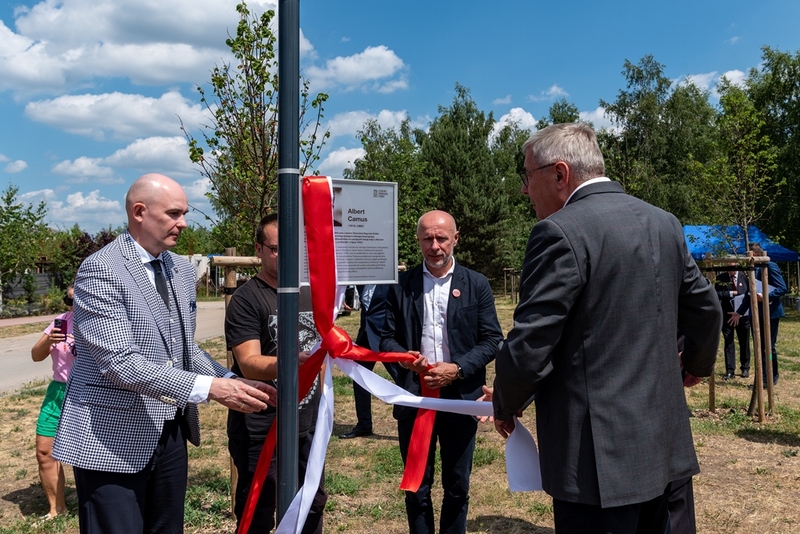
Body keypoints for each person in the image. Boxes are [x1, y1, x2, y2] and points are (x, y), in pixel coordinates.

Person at [492, 123, 721, 533]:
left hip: (598, 465)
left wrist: (505, 403)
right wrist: (696, 365)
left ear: (559, 174)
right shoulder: (664, 222)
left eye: (527, 176)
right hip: (666, 449)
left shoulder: (559, 232)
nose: (525, 190)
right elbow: (705, 308)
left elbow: (530, 345)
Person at [53, 173, 274, 534]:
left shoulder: (180, 270)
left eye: (184, 213)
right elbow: (120, 364)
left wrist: (232, 380)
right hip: (110, 437)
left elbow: (184, 348)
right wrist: (209, 389)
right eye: (174, 213)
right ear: (139, 212)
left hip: (170, 430)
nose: (184, 223)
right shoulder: (100, 270)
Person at [380, 210, 503, 534]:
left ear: (456, 238)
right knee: (416, 485)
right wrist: (403, 358)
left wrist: (459, 368)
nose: (434, 246)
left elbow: (492, 339)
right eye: (427, 239)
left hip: (460, 399)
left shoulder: (476, 284)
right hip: (414, 395)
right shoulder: (401, 285)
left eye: (441, 238)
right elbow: (385, 335)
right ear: (418, 240)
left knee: (457, 484)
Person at [225, 213, 327, 534]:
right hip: (259, 426)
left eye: (293, 247)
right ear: (259, 249)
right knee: (258, 510)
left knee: (312, 503)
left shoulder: (310, 294)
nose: (286, 255)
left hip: (306, 423)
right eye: (276, 248)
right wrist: (291, 363)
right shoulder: (247, 299)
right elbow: (249, 363)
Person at [30, 286, 76, 519]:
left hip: (88, 394)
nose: (72, 306)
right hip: (58, 392)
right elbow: (36, 355)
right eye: (69, 301)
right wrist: (48, 339)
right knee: (44, 451)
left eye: (78, 300)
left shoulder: (103, 323)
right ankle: (56, 509)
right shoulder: (61, 321)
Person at [339, 284, 401, 439]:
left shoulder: (391, 280)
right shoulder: (361, 280)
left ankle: (412, 417)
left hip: (385, 338)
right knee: (359, 379)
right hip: (366, 334)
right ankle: (364, 424)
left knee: (402, 378)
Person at [730, 242, 787, 387]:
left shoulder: (769, 266)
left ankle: (771, 375)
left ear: (753, 254)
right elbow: (749, 295)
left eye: (746, 255)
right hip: (756, 315)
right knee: (759, 347)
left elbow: (782, 288)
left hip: (771, 313)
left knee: (769, 347)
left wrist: (765, 297)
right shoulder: (752, 270)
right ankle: (761, 377)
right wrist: (739, 313)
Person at [716, 270, 751, 380]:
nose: (731, 271)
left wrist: (739, 313)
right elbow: (716, 294)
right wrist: (731, 293)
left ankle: (745, 368)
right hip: (727, 315)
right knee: (729, 341)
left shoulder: (745, 276)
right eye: (729, 268)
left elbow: (747, 294)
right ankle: (730, 370)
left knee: (744, 341)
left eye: (733, 268)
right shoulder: (721, 278)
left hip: (742, 315)